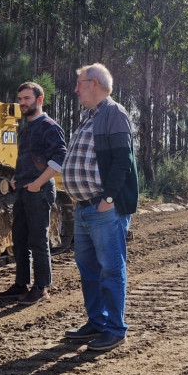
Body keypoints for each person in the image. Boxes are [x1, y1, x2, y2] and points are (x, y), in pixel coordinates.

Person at [61, 63, 138, 352]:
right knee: (89, 269)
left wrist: (108, 199)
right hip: (83, 208)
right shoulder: (88, 117)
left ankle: (115, 329)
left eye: (79, 83)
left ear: (93, 83)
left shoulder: (113, 114)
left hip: (103, 209)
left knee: (110, 270)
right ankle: (97, 321)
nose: (76, 88)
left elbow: (122, 162)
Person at [0, 81, 67, 305]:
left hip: (40, 190)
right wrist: (16, 176)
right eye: (19, 99)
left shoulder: (49, 126)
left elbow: (60, 159)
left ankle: (41, 287)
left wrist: (38, 183)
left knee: (38, 241)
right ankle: (21, 285)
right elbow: (27, 157)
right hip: (24, 189)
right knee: (20, 239)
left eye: (26, 99)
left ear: (39, 100)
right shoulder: (26, 126)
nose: (22, 103)